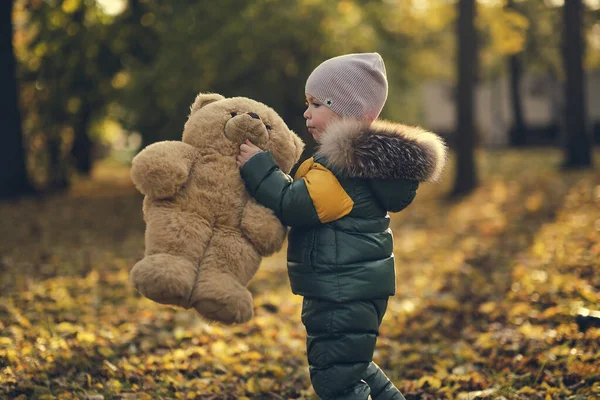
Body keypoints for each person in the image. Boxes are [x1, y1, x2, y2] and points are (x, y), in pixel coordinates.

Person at [236, 53, 447, 400]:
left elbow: (295, 203)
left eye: (317, 103)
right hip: (348, 288)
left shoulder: (342, 169)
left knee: (335, 382)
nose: (306, 113)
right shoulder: (355, 166)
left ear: (351, 111)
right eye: (307, 103)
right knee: (353, 367)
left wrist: (260, 168)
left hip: (341, 292)